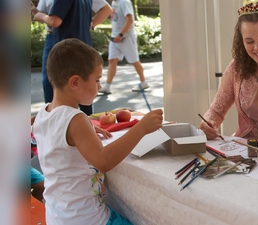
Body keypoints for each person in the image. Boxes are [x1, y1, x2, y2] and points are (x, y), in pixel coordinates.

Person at [32, 38, 163, 224]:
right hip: (87, 219)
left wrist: (89, 130)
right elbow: (103, 160)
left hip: (57, 216)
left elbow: (60, 137)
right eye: (97, 80)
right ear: (75, 82)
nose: (100, 86)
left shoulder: (43, 114)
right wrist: (141, 128)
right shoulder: (75, 119)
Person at [199, 2, 258, 144]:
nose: (257, 48)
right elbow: (217, 111)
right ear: (241, 39)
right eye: (249, 41)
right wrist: (208, 123)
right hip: (245, 147)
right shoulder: (237, 68)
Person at [32, 0, 112, 116]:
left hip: (65, 47)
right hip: (83, 43)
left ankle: (55, 118)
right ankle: (88, 120)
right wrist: (89, 25)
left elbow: (55, 21)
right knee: (85, 83)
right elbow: (106, 9)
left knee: (54, 83)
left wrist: (41, 16)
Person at [98, 0, 148, 95]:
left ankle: (143, 82)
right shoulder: (114, 2)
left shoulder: (125, 2)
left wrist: (121, 34)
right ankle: (107, 86)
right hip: (115, 37)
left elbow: (130, 20)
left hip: (126, 37)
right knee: (112, 60)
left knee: (134, 61)